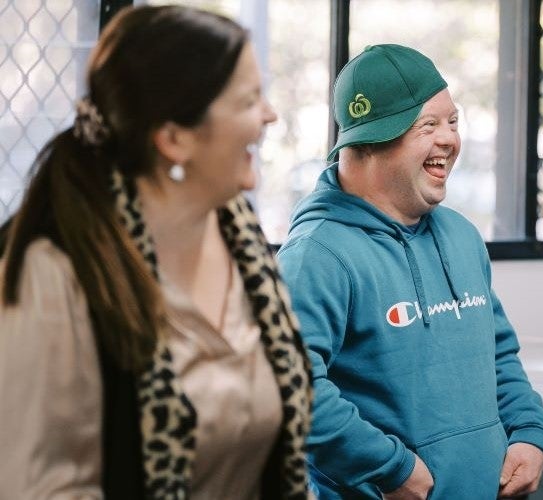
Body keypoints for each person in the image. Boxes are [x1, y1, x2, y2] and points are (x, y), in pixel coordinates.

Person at [0, 5, 312, 499]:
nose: (270, 115)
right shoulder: (56, 273)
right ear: (174, 138)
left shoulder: (240, 237)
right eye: (251, 100)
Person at [277, 43, 543, 499]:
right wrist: (391, 467)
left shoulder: (462, 237)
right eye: (428, 126)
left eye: (452, 122)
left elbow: (499, 354)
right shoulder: (316, 256)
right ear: (369, 141)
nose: (449, 140)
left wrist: (528, 431)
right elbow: (290, 388)